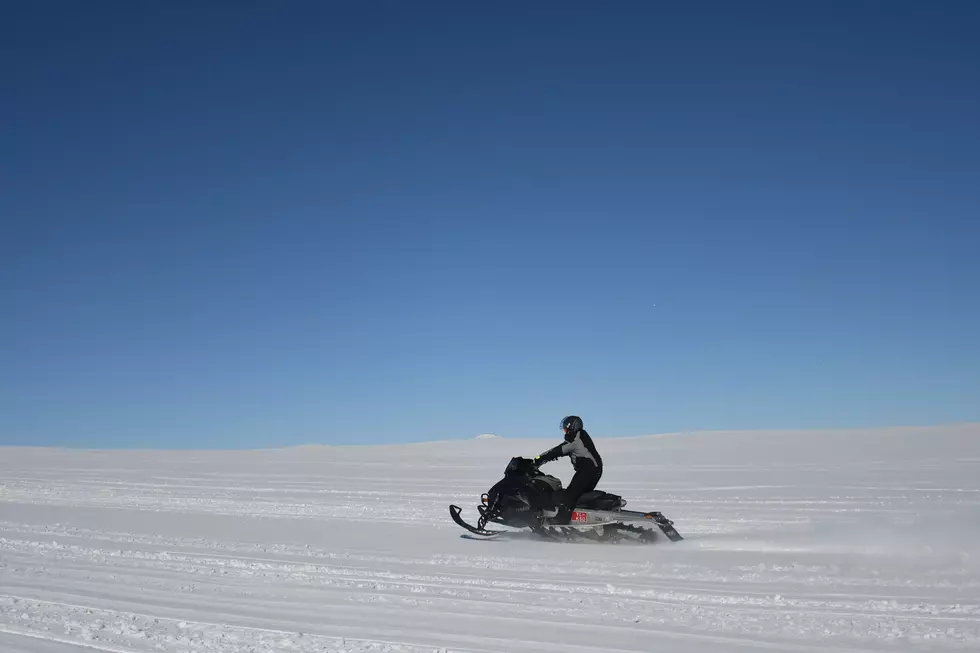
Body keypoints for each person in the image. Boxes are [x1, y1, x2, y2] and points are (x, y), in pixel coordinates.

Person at [534, 415, 603, 524]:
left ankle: (562, 520)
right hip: (594, 471)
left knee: (569, 494)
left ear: (572, 427)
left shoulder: (574, 440)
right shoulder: (581, 437)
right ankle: (580, 520)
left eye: (566, 428)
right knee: (579, 496)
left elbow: (556, 451)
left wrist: (538, 460)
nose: (565, 431)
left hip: (587, 471)